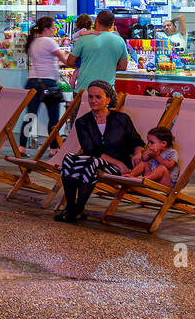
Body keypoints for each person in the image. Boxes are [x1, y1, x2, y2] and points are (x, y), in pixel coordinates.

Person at [56, 80, 143, 223]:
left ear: (108, 99)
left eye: (98, 97)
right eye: (90, 97)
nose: (93, 100)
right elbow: (91, 150)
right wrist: (117, 163)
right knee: (69, 158)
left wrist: (138, 153)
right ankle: (73, 208)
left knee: (88, 162)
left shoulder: (122, 119)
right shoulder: (83, 122)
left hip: (117, 165)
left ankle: (75, 209)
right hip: (95, 161)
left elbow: (136, 141)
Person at [21, 17, 71, 148]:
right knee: (53, 117)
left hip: (32, 83)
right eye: (53, 27)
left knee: (30, 116)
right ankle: (53, 147)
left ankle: (21, 146)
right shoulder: (50, 42)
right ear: (46, 29)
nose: (55, 30)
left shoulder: (32, 42)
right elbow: (64, 60)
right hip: (48, 85)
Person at [66, 10, 130, 94]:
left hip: (84, 91)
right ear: (112, 24)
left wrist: (87, 64)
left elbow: (70, 62)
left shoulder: (83, 39)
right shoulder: (120, 41)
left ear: (96, 21)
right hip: (107, 91)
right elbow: (122, 67)